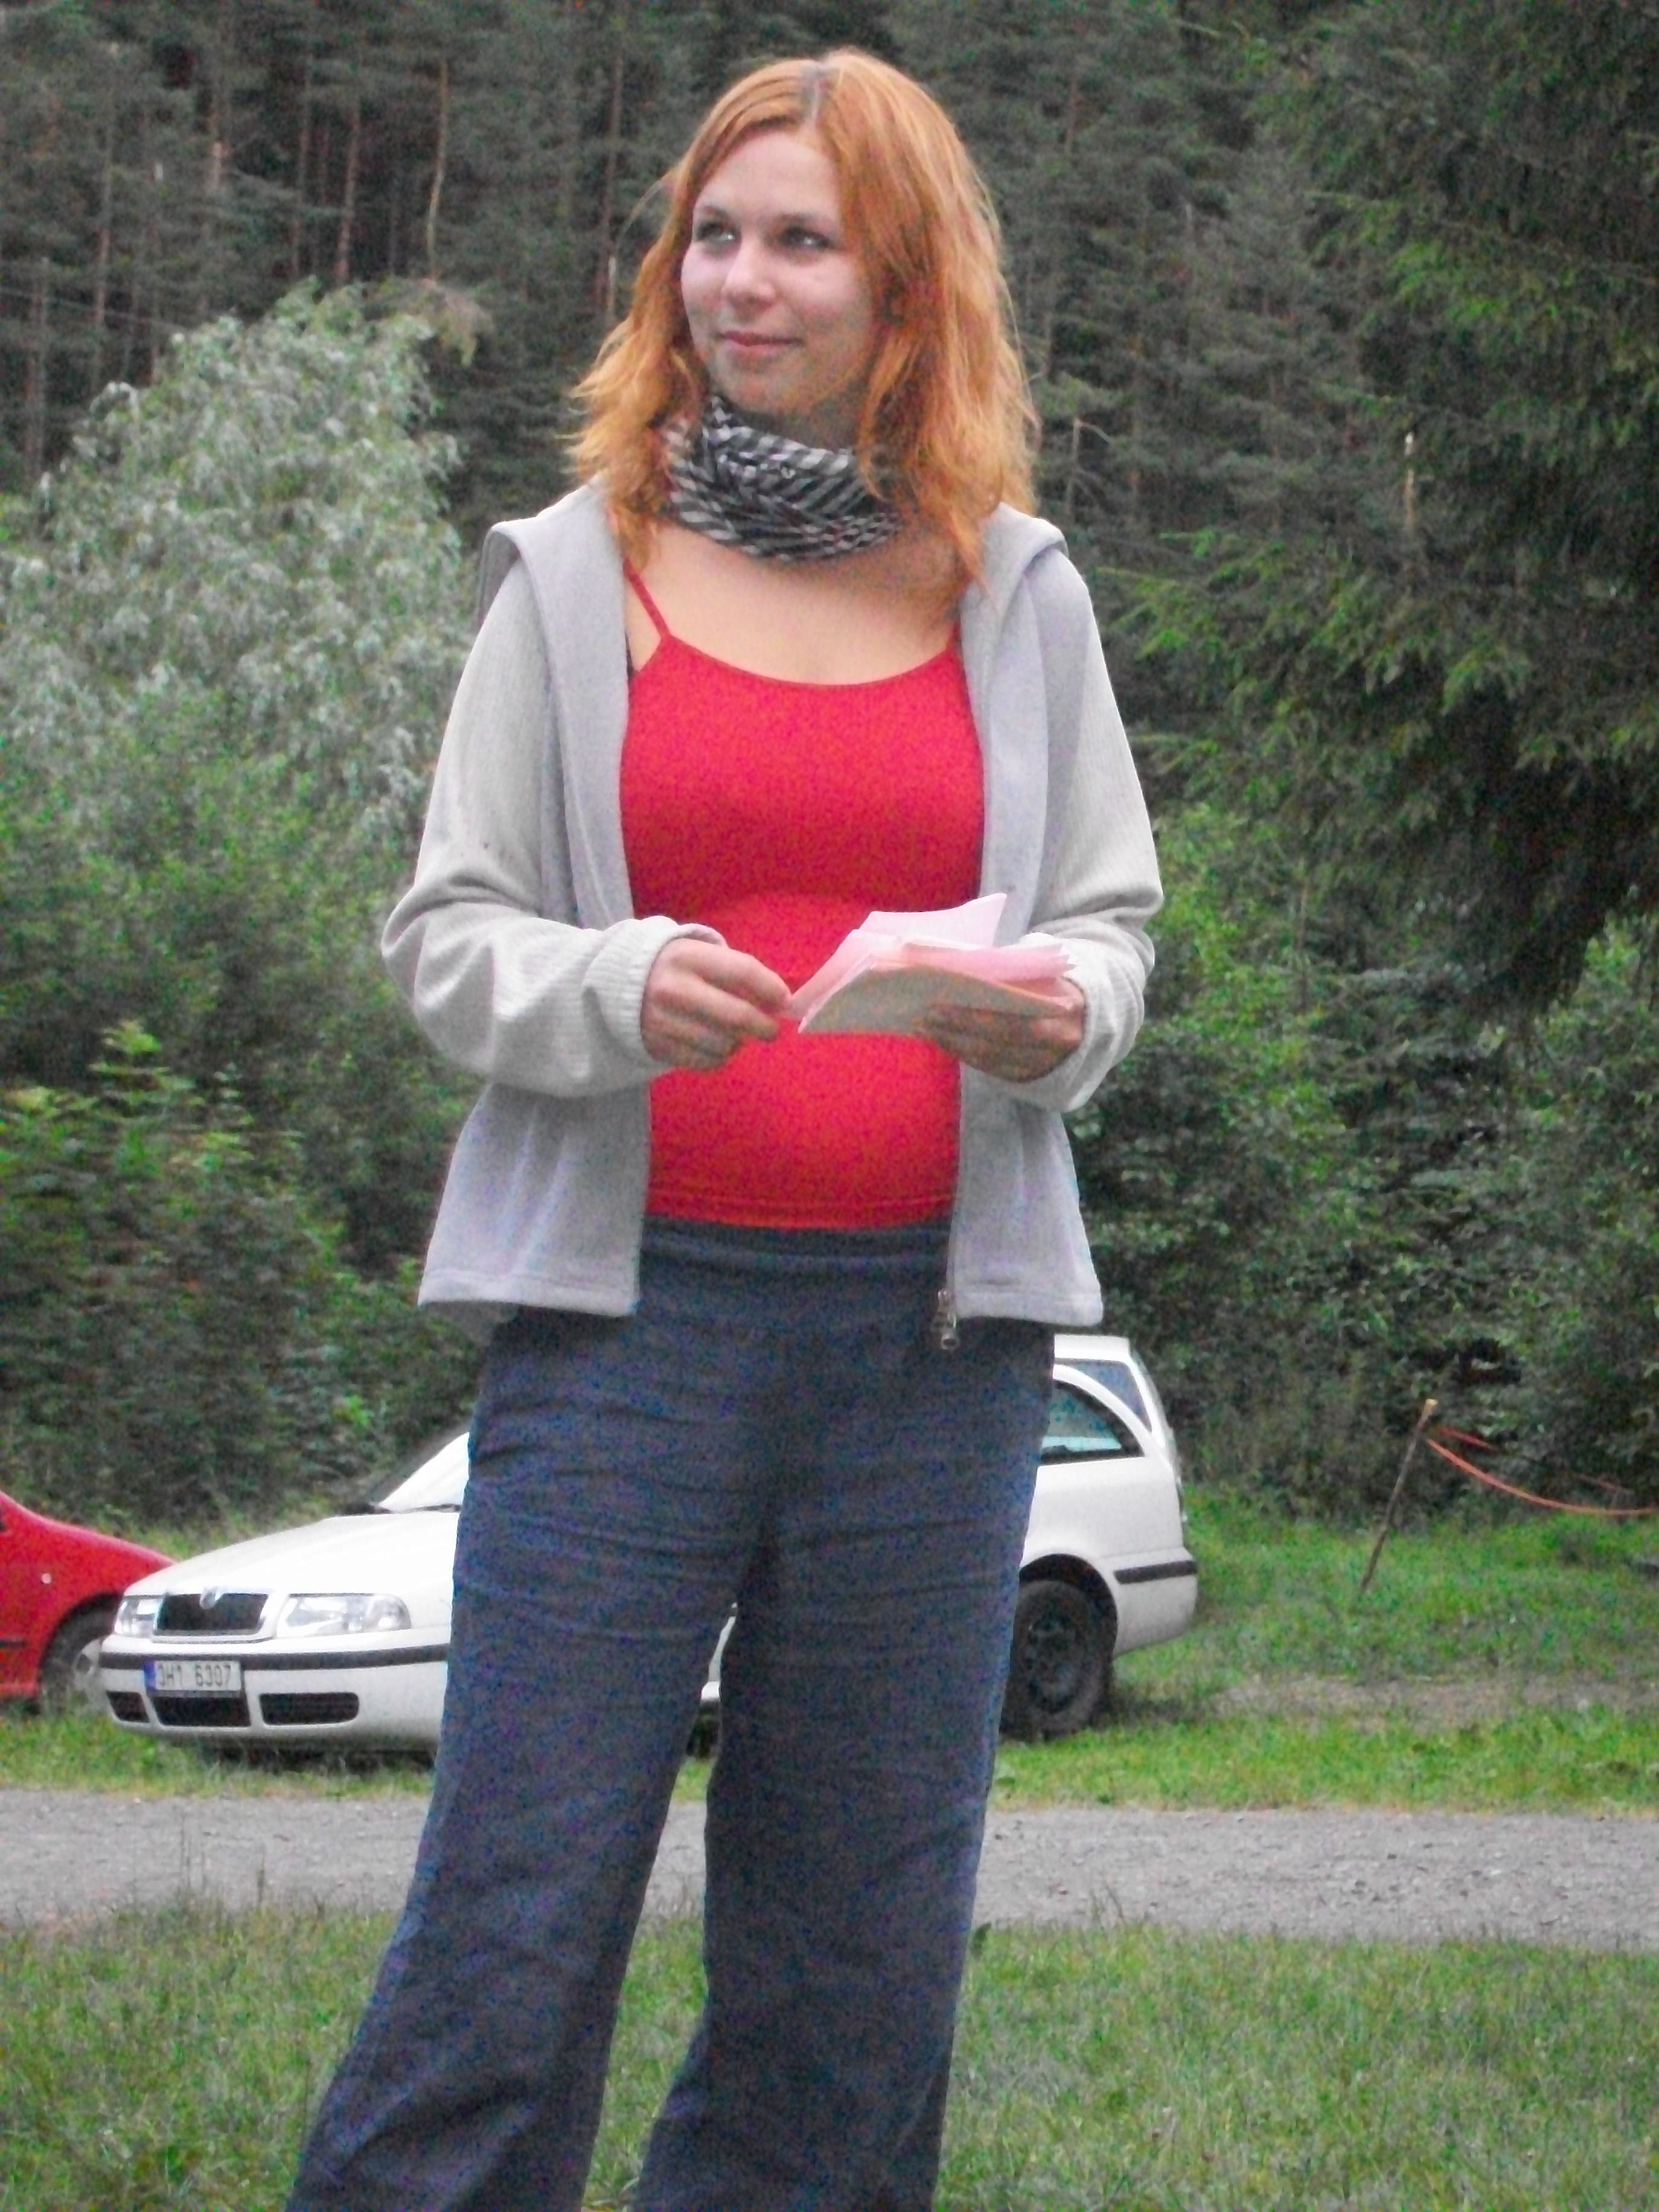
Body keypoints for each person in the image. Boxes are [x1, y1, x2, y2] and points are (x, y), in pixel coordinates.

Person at [286, 47, 1160, 2212]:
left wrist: (1056, 1010)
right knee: (515, 1908)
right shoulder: (570, 572)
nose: (740, 282)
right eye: (713, 235)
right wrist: (614, 985)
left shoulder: (1016, 590)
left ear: (906, 288)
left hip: (936, 1355)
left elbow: (1108, 928)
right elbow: (446, 937)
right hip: (626, 1336)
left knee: (857, 1950)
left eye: (802, 243)